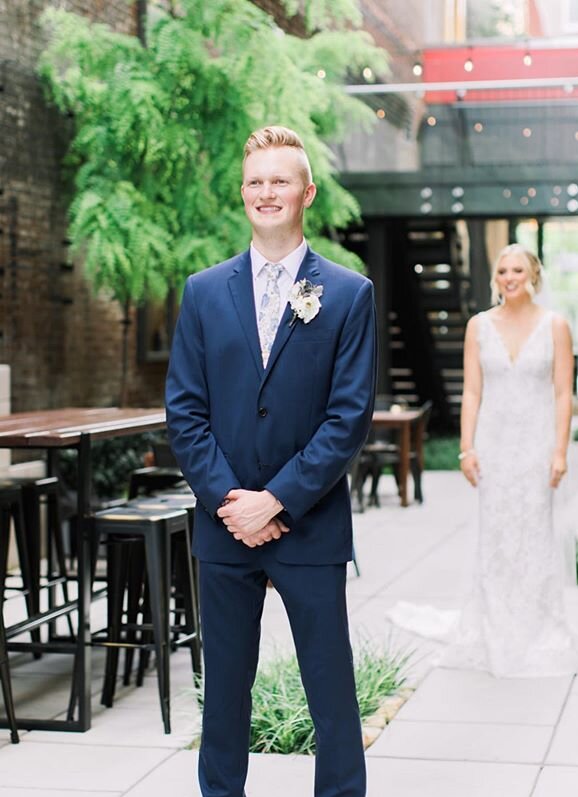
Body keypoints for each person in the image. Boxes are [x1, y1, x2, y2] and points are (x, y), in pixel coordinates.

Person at [165, 125, 377, 797]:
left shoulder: (347, 294)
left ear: (306, 192)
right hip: (225, 527)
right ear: (243, 194)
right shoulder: (202, 292)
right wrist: (233, 501)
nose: (266, 192)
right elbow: (185, 410)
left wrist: (277, 499)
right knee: (224, 692)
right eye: (255, 181)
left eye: (280, 180)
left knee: (330, 692)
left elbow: (347, 419)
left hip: (308, 525)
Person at [387, 243, 578, 677]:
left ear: (534, 275)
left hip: (536, 448)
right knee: (498, 535)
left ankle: (541, 628)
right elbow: (472, 391)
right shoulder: (479, 327)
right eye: (503, 270)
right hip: (496, 448)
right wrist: (467, 447)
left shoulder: (555, 326)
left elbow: (563, 393)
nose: (509, 277)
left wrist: (560, 450)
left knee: (535, 535)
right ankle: (494, 627)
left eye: (517, 269)